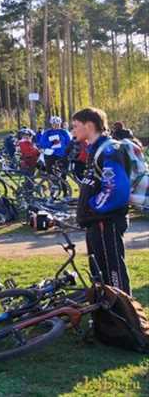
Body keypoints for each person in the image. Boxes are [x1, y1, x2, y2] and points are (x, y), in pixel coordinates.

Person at [72, 108, 131, 294]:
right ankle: (106, 317)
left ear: (89, 125)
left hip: (106, 222)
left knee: (113, 272)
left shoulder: (109, 149)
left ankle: (124, 318)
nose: (72, 131)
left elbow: (115, 189)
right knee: (99, 272)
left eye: (75, 126)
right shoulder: (95, 149)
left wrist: (91, 209)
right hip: (96, 223)